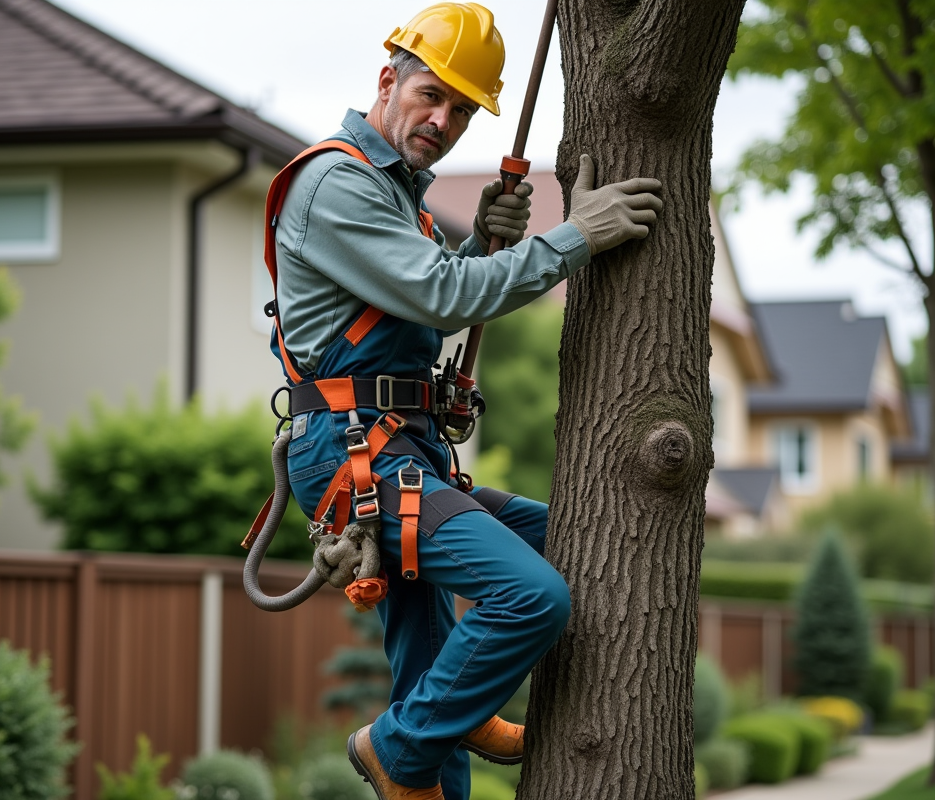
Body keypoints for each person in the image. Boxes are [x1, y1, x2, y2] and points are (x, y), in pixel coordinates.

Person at [263, 4, 663, 799]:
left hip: (394, 446)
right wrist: (572, 235)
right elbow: (444, 297)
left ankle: (453, 710)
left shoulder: (392, 197)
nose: (442, 121)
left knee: (567, 535)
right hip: (354, 450)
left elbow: (421, 298)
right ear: (389, 80)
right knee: (533, 592)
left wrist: (484, 243)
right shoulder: (337, 182)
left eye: (461, 110)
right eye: (428, 96)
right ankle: (401, 746)